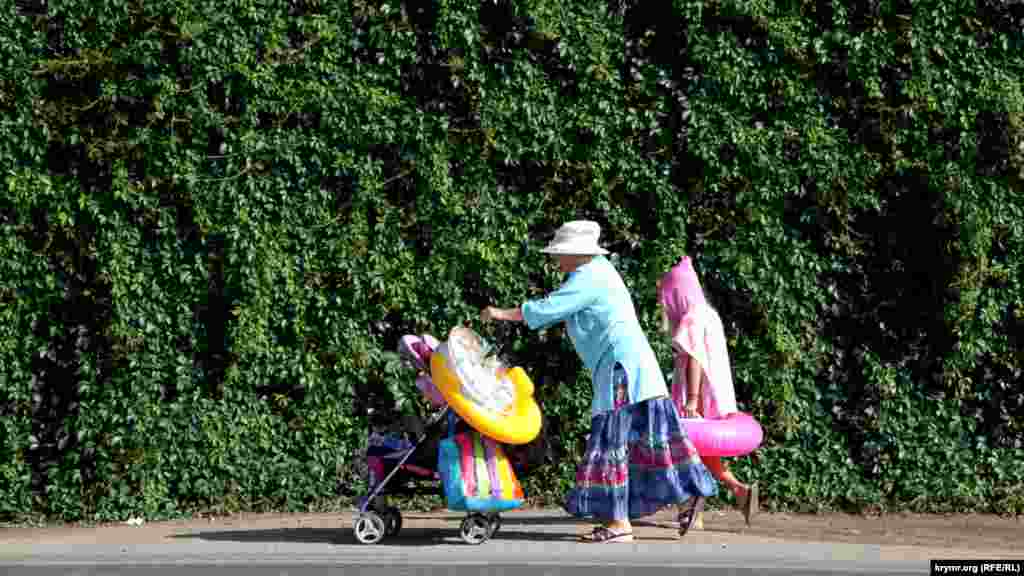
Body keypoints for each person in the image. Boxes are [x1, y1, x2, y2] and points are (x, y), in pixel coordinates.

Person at [481, 220, 717, 543]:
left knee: (612, 439)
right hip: (637, 366)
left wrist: (501, 313)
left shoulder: (589, 276)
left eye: (560, 254)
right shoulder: (601, 271)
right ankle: (688, 494)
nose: (556, 260)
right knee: (653, 434)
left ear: (578, 254)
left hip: (620, 369)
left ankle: (619, 523)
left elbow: (551, 308)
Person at [657, 256, 759, 531]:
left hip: (696, 397)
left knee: (685, 453)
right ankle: (740, 490)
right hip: (715, 396)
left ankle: (693, 511)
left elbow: (694, 358)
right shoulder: (709, 314)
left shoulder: (691, 318)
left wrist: (691, 400)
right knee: (705, 454)